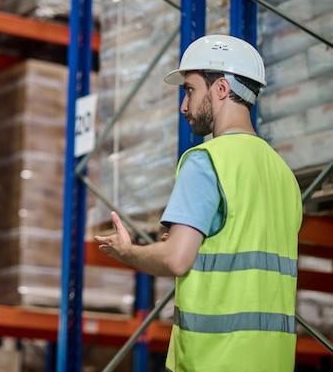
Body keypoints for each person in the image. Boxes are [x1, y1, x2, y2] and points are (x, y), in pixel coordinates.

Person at [94, 34, 302, 371]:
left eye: (189, 90)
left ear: (220, 88)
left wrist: (127, 252)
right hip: (273, 361)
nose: (184, 106)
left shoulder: (206, 160)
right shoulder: (283, 175)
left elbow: (176, 260)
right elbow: (242, 248)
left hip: (215, 360)